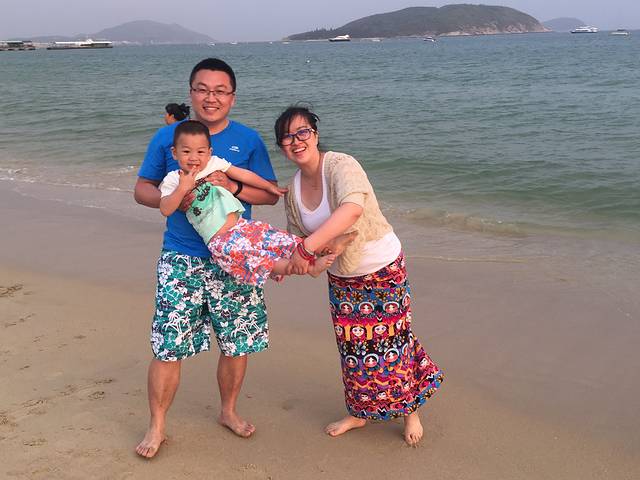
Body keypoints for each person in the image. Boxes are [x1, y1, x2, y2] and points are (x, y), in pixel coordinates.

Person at [275, 106, 444, 446]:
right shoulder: (292, 190)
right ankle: (358, 413)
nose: (296, 141)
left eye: (302, 132)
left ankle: (410, 411)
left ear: (315, 135)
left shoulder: (341, 165)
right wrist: (287, 263)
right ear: (282, 147)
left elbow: (352, 209)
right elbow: (298, 240)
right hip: (341, 276)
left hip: (382, 266)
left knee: (393, 342)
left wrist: (308, 249)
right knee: (352, 348)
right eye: (287, 137)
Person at [134, 58, 279, 458]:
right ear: (191, 92)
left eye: (220, 91)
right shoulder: (167, 137)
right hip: (181, 256)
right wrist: (172, 199)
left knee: (236, 341)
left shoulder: (248, 140)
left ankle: (228, 411)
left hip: (234, 256)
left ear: (232, 97)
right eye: (202, 89)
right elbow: (142, 189)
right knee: (168, 345)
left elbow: (269, 193)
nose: (210, 97)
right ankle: (156, 426)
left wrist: (232, 185)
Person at [160, 120, 345, 286]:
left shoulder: (213, 163)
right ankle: (308, 268)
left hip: (241, 225)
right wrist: (182, 189)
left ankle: (324, 246)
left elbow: (244, 175)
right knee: (254, 257)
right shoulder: (173, 180)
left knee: (277, 238)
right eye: (186, 152)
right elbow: (165, 209)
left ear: (209, 153)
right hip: (219, 240)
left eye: (200, 152)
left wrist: (268, 186)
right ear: (175, 153)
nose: (194, 157)